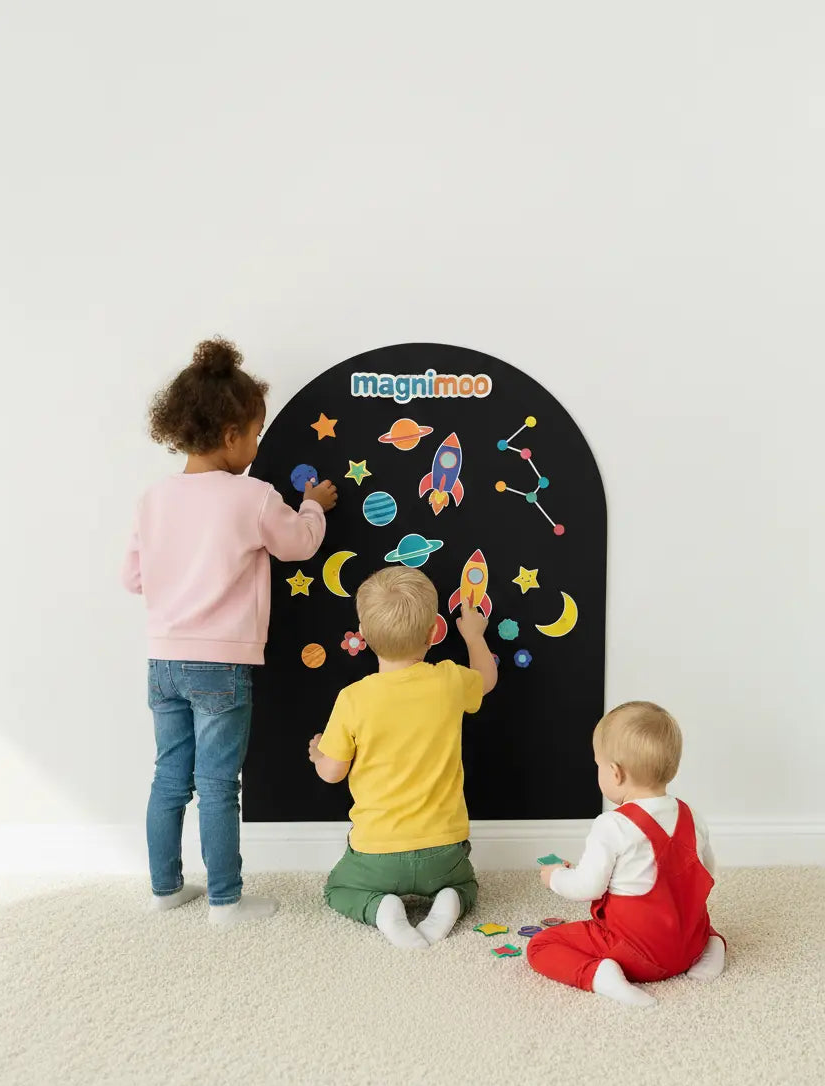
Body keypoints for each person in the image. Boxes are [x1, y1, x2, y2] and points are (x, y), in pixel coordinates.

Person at [122, 337, 336, 926]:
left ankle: (165, 888)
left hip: (163, 662)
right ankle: (225, 900)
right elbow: (299, 545)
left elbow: (132, 578)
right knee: (218, 784)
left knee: (170, 777)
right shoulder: (254, 496)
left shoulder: (153, 498)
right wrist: (313, 505)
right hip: (220, 665)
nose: (258, 445)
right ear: (230, 434)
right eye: (257, 433)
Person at [309, 567, 497, 949]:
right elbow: (487, 679)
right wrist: (474, 636)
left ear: (363, 634)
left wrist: (318, 753)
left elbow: (332, 773)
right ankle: (451, 897)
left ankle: (380, 907)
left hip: (376, 853)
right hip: (444, 852)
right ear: (433, 633)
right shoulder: (449, 680)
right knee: (468, 885)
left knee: (338, 889)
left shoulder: (353, 699)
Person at [528, 701, 725, 1007]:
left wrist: (556, 876)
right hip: (686, 945)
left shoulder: (612, 825)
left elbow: (587, 887)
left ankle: (600, 975)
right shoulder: (691, 816)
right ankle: (711, 947)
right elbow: (706, 872)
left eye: (598, 765)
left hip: (635, 955)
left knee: (541, 946)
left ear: (615, 773)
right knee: (691, 917)